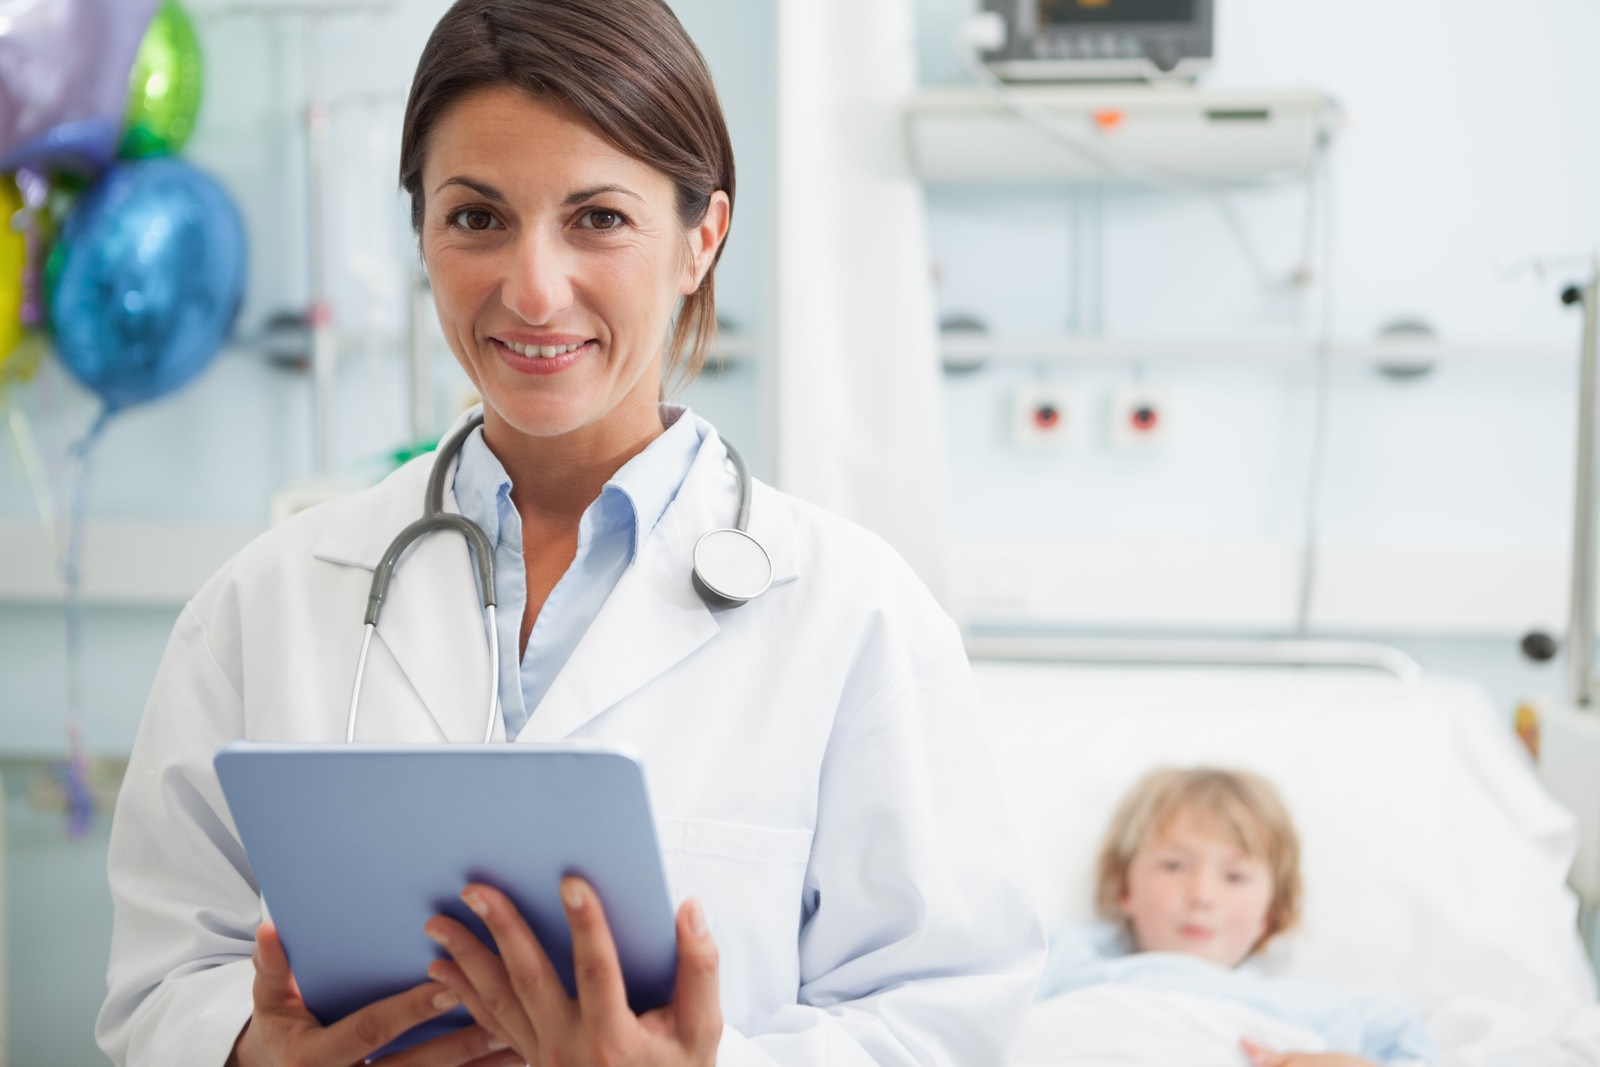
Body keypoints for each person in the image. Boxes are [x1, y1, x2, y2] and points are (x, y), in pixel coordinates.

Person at [94, 2, 1045, 1064]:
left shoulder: (854, 611)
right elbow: (162, 974)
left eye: (596, 217)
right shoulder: (264, 601)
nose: (533, 290)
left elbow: (951, 1016)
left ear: (701, 238)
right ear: (420, 236)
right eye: (475, 217)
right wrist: (244, 1049)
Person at [1035, 767, 1433, 1067]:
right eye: (1174, 867)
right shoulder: (1063, 958)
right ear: (1123, 888)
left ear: (1271, 914)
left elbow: (1411, 1050)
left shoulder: (1313, 1007)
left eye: (1235, 877)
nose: (1202, 896)